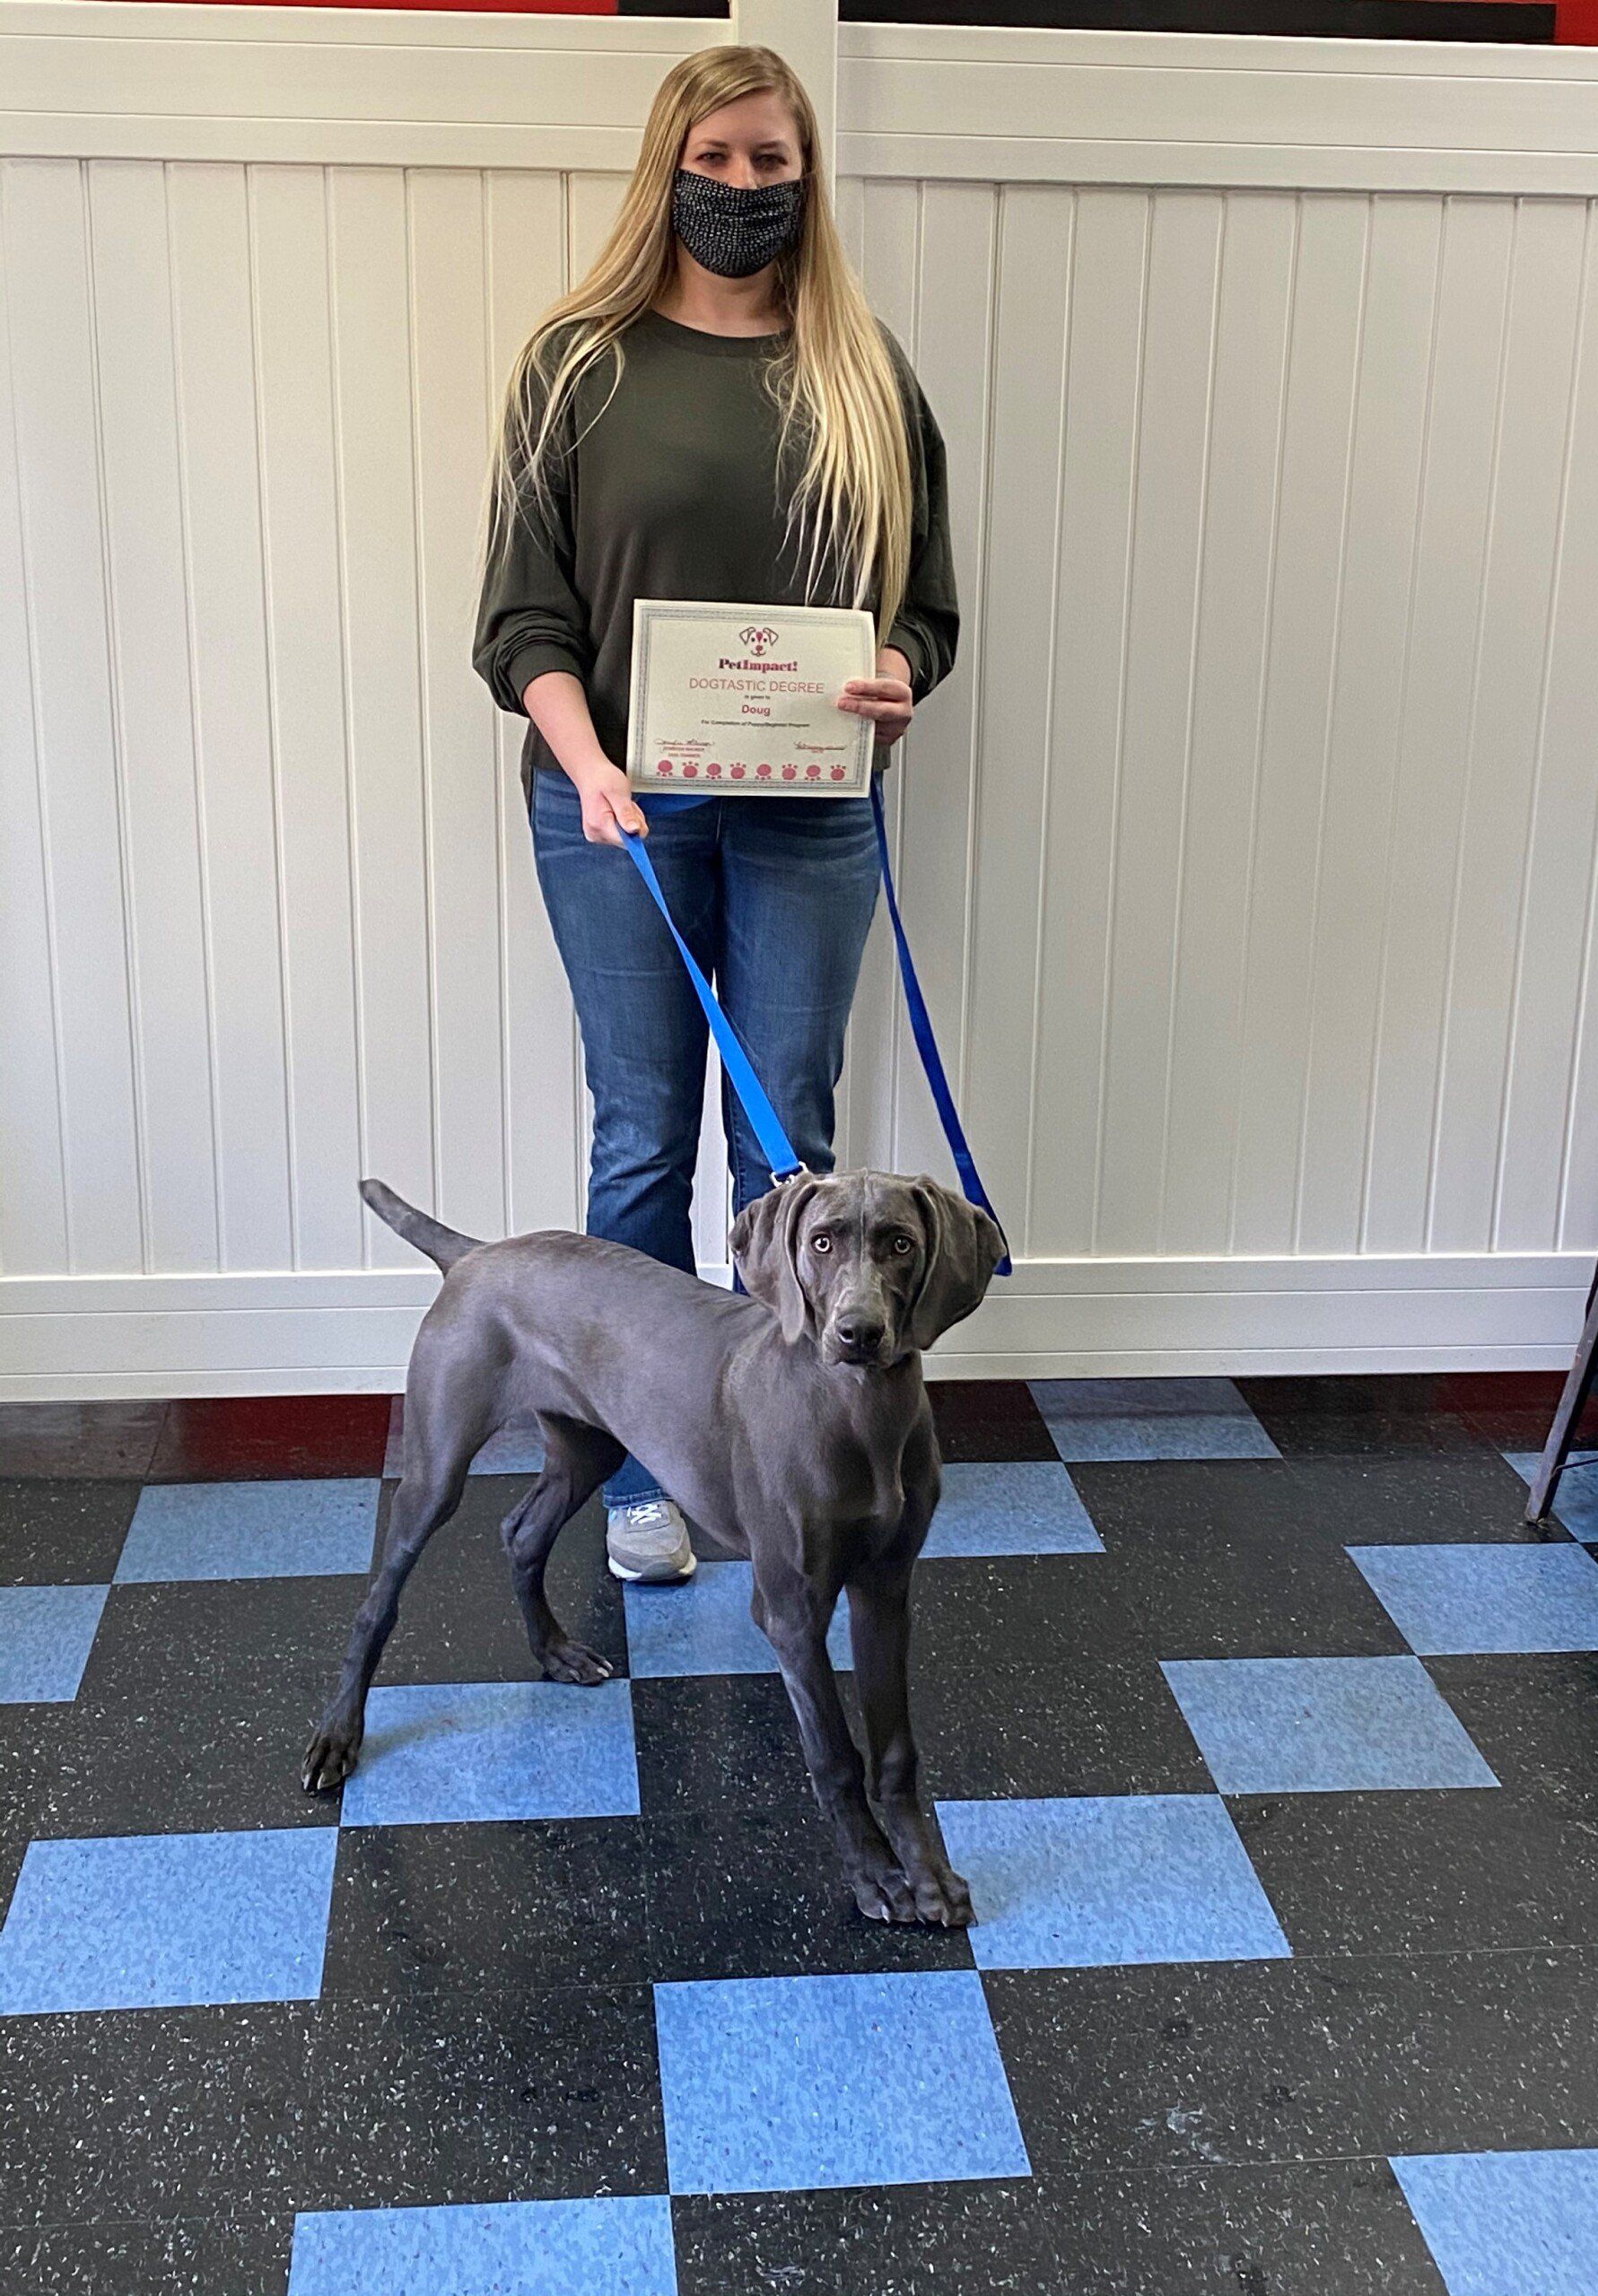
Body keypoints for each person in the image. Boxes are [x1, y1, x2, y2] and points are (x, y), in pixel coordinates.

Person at [473, 44, 960, 1585]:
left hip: (810, 810)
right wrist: (589, 755)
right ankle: (633, 1468)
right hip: (618, 805)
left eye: (771, 161)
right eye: (717, 158)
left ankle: (795, 1455)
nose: (743, 187)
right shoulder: (578, 362)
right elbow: (521, 617)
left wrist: (894, 671)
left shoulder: (865, 374)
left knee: (788, 1145)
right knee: (639, 1139)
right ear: (665, 166)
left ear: (806, 177)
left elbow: (931, 611)